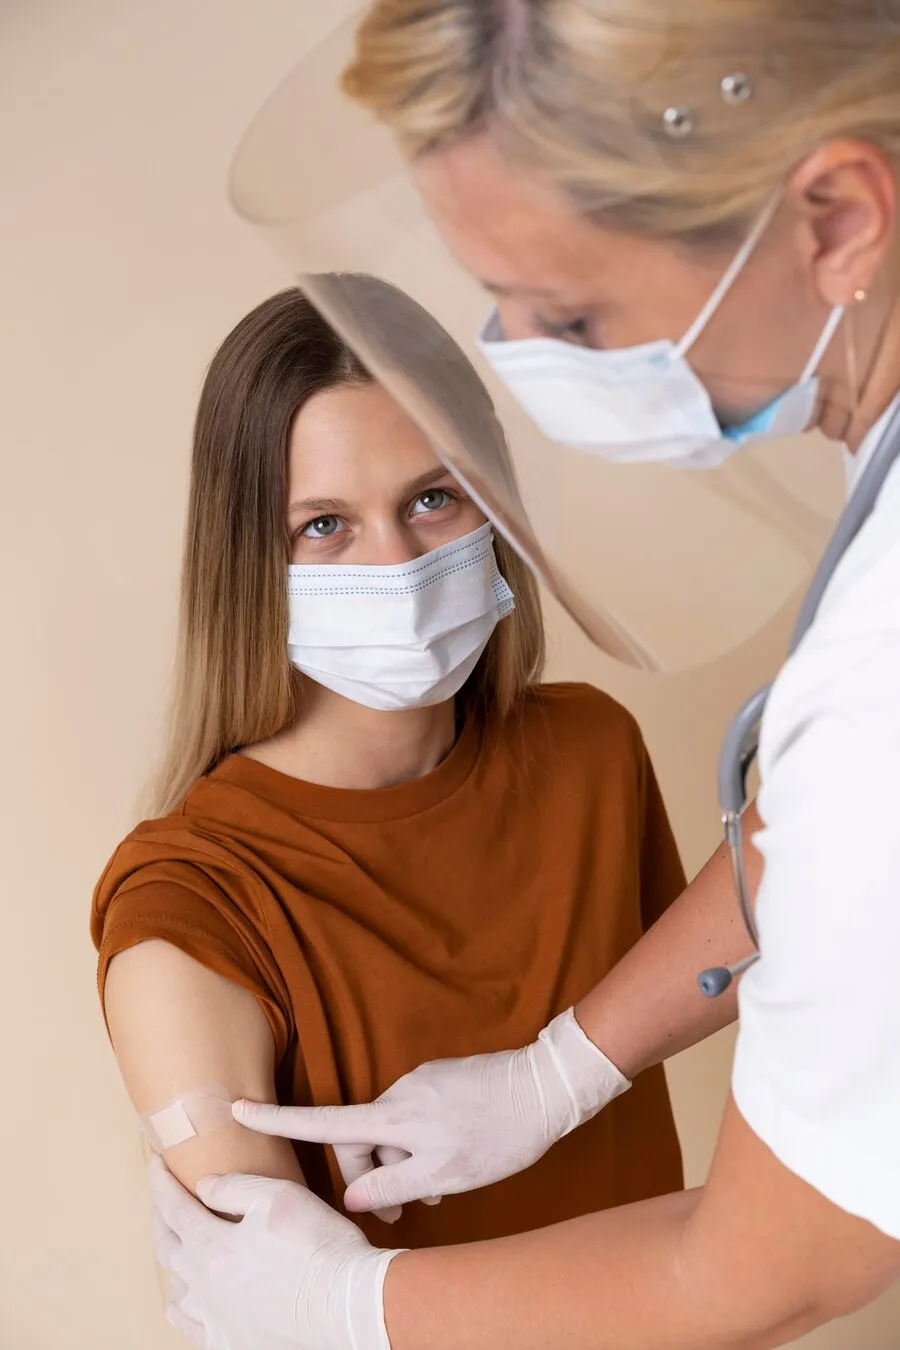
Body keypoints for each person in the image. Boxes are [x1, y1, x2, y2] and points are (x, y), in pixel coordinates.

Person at [151, 5, 900, 1349]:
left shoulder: (844, 684)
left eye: (571, 312)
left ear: (838, 220)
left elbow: (773, 1267)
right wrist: (561, 1069)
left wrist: (349, 1303)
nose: (530, 363)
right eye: (323, 524)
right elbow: (812, 847)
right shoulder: (194, 894)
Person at [92, 279, 688, 1258]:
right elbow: (286, 1312)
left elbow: (761, 943)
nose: (398, 565)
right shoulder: (190, 909)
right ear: (249, 564)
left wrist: (561, 1079)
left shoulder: (594, 752)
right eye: (323, 525)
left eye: (432, 498)